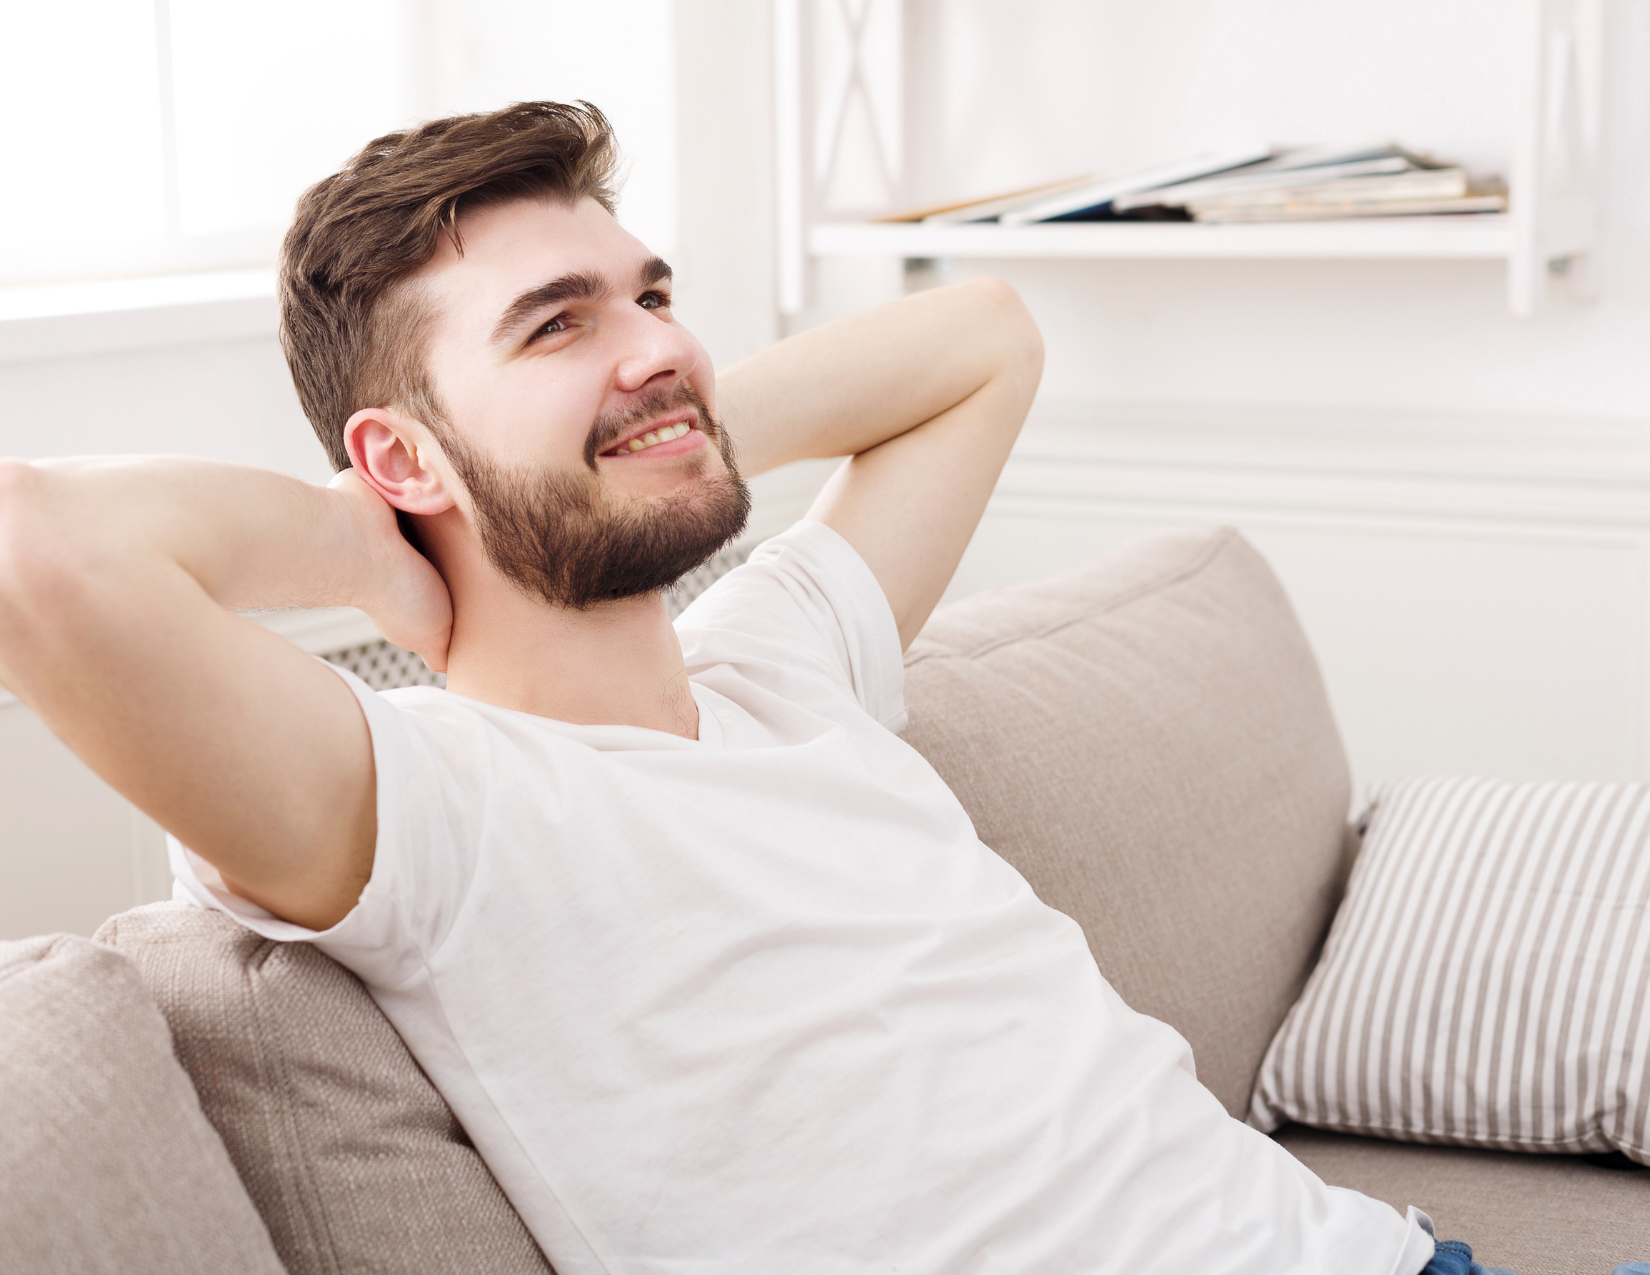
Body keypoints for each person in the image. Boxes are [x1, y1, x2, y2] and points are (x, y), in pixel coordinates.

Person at [0, 100, 1616, 1275]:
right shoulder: (430, 807)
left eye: (652, 294)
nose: (653, 339)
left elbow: (983, 336)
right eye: (555, 325)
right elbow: (36, 556)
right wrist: (374, 541)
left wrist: (653, 427)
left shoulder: (782, 658)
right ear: (400, 455)